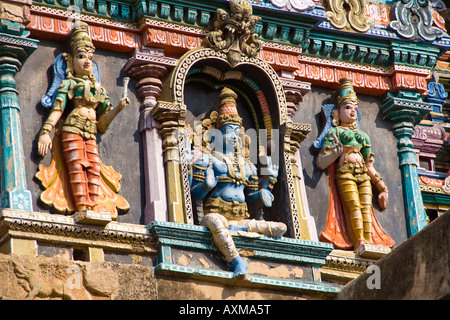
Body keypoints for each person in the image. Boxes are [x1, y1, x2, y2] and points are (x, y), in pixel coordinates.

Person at [36, 22, 130, 217]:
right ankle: (82, 208)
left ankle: (92, 207)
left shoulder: (100, 91)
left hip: (90, 132)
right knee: (77, 166)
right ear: (70, 61)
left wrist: (119, 109)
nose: (86, 61)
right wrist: (45, 132)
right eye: (81, 57)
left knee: (94, 168)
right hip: (72, 129)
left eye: (89, 57)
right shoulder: (68, 83)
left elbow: (102, 124)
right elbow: (57, 109)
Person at [190, 87, 286, 278]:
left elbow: (251, 197)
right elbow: (196, 194)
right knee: (217, 224)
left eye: (237, 131)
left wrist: (263, 191)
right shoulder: (208, 159)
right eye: (228, 131)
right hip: (215, 214)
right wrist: (207, 185)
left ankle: (238, 229)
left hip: (241, 217)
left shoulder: (248, 165)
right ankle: (236, 261)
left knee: (280, 228)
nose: (234, 136)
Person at [316, 78, 394, 250]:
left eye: (355, 108)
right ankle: (359, 241)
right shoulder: (335, 132)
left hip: (363, 176)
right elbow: (321, 162)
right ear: (336, 113)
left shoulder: (363, 137)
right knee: (354, 207)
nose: (352, 111)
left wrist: (382, 189)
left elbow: (369, 166)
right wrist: (335, 153)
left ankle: (368, 241)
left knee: (366, 208)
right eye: (347, 107)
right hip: (345, 174)